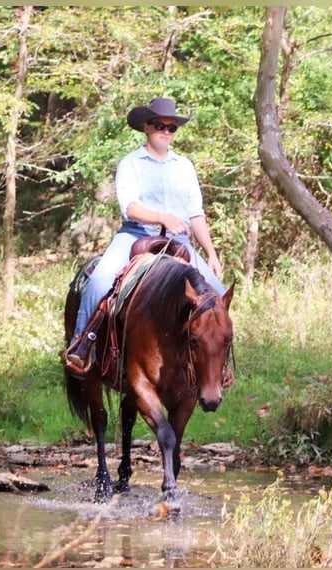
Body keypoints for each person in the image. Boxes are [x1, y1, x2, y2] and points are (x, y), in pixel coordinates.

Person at [65, 97, 226, 373]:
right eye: (160, 125)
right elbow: (130, 207)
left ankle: (214, 364)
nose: (166, 131)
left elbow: (195, 213)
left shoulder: (184, 166)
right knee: (101, 279)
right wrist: (162, 217)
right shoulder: (131, 163)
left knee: (218, 295)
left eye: (172, 127)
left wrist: (211, 253)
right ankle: (82, 344)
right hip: (136, 237)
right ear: (147, 128)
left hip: (179, 242)